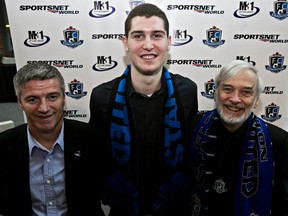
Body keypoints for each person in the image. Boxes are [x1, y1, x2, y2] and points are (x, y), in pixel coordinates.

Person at [89, 3, 198, 216]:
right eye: (138, 36)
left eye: (156, 35)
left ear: (168, 42)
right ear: (125, 43)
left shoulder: (187, 91)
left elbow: (190, 154)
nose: (148, 45)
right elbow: (98, 159)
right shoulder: (102, 96)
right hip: (123, 209)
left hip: (176, 208)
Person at [0, 62, 106, 216]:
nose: (44, 108)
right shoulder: (3, 146)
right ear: (19, 102)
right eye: (32, 99)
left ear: (64, 96)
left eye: (52, 97)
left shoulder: (93, 139)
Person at [188, 60, 288, 216]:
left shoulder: (278, 141)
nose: (235, 99)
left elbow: (283, 203)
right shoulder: (193, 127)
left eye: (246, 92)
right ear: (215, 92)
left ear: (256, 100)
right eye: (227, 89)